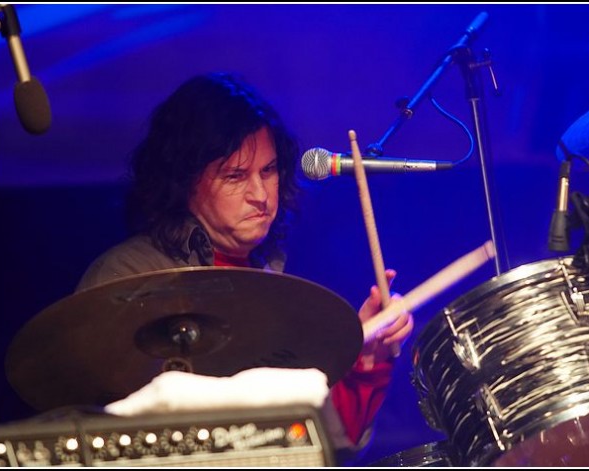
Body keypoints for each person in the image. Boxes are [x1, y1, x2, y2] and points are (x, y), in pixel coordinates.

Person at [76, 72, 414, 461]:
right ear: (184, 182)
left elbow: (326, 445)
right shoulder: (129, 274)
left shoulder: (275, 286)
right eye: (235, 176)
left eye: (268, 171)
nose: (260, 195)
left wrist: (366, 363)